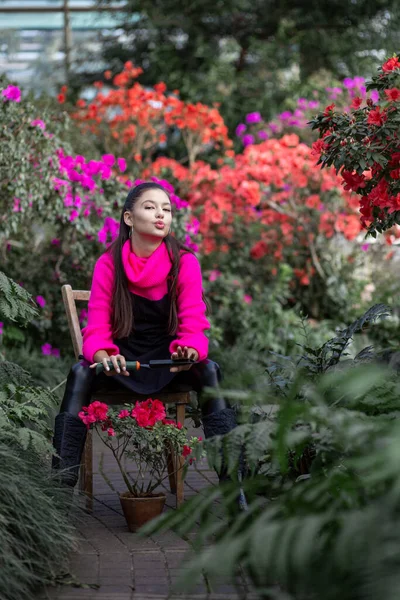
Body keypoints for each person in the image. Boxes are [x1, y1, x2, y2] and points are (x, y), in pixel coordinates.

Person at [52, 181, 242, 499]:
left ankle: (236, 490)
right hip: (122, 362)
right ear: (129, 218)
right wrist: (102, 357)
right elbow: (96, 329)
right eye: (151, 207)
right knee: (79, 372)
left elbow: (194, 326)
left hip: (169, 362)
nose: (161, 215)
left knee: (211, 371)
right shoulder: (108, 264)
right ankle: (58, 489)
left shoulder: (185, 262)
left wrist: (189, 350)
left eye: (166, 209)